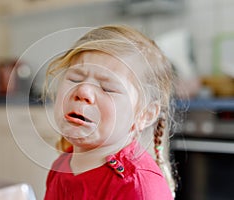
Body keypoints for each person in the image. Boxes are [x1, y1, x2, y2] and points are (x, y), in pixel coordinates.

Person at [44, 25, 176, 200]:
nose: (83, 91)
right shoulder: (60, 166)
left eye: (107, 88)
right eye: (75, 79)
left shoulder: (139, 188)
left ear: (145, 114)